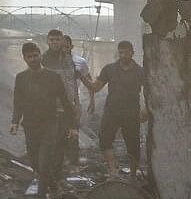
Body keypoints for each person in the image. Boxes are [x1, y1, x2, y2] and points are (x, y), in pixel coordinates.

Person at [9, 42, 77, 199]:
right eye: (29, 56)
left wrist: (73, 126)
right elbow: (18, 102)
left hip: (50, 125)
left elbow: (65, 103)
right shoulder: (21, 78)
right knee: (35, 163)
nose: (33, 59)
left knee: (44, 162)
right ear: (24, 58)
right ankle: (53, 184)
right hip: (30, 126)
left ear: (40, 55)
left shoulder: (53, 77)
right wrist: (15, 122)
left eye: (35, 55)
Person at [87, 41, 148, 177]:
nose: (124, 55)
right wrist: (82, 76)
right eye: (121, 52)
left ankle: (133, 174)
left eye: (127, 52)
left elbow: (149, 92)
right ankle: (113, 171)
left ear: (132, 53)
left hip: (131, 112)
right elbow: (96, 87)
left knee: (133, 144)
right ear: (118, 53)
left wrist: (147, 110)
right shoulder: (110, 69)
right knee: (104, 140)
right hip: (112, 111)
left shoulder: (140, 71)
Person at [42, 29, 84, 178]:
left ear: (62, 41)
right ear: (47, 41)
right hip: (52, 108)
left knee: (69, 138)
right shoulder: (44, 60)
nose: (54, 42)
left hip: (69, 107)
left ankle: (65, 171)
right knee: (53, 142)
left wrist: (77, 104)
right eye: (51, 40)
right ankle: (52, 175)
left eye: (57, 40)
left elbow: (72, 83)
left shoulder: (68, 60)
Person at [62, 34, 94, 171]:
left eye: (66, 46)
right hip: (54, 104)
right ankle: (60, 159)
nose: (64, 48)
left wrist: (92, 101)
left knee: (73, 131)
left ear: (71, 46)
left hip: (74, 103)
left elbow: (90, 82)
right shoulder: (52, 61)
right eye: (61, 46)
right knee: (58, 131)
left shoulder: (79, 62)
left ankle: (73, 161)